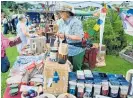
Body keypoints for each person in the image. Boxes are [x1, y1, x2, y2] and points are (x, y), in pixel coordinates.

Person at [56, 5, 85, 71]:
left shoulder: (76, 22)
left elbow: (79, 37)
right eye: (60, 12)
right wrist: (58, 34)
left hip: (77, 49)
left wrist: (65, 35)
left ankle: (77, 80)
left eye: (61, 12)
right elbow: (59, 32)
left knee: (76, 69)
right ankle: (67, 80)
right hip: (66, 47)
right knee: (67, 67)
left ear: (67, 13)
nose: (60, 13)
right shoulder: (61, 21)